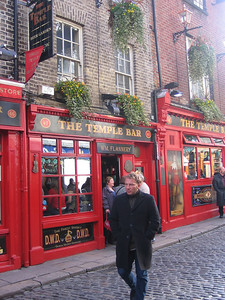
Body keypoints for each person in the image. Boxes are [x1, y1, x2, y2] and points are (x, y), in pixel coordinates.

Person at [110, 172, 160, 300]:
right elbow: (113, 219)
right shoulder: (119, 200)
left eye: (131, 185)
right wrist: (117, 235)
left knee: (142, 274)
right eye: (126, 184)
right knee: (122, 271)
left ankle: (138, 297)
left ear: (138, 185)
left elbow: (155, 220)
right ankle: (135, 287)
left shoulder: (148, 200)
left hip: (141, 244)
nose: (127, 187)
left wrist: (148, 236)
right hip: (124, 244)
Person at [102, 176, 115, 244]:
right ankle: (107, 240)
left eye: (113, 180)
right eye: (111, 181)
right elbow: (104, 199)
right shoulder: (105, 190)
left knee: (113, 224)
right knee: (108, 225)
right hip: (109, 210)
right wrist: (106, 208)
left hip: (114, 209)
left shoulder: (114, 189)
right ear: (108, 182)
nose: (113, 182)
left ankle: (112, 239)